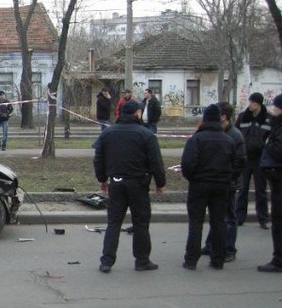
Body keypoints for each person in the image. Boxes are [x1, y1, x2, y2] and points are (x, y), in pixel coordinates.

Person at [93, 100, 166, 273]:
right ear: (137, 113)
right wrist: (160, 183)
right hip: (138, 184)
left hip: (116, 183)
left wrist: (102, 179)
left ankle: (107, 261)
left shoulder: (108, 133)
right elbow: (156, 161)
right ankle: (142, 260)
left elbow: (99, 158)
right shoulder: (145, 134)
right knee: (140, 223)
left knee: (114, 223)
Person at [180, 104, 238, 270]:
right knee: (218, 222)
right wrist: (227, 179)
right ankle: (218, 259)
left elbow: (188, 164)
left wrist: (193, 178)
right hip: (221, 186)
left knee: (196, 222)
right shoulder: (229, 140)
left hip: (199, 184)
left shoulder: (197, 139)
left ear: (204, 119)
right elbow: (235, 164)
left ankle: (191, 260)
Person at [201, 102, 246, 262]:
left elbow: (240, 162)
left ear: (223, 117)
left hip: (228, 182)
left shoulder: (235, 135)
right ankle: (211, 244)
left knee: (228, 217)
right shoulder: (220, 132)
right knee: (217, 216)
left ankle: (229, 249)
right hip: (218, 181)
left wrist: (228, 177)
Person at [235, 92, 271, 229]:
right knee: (242, 188)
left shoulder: (268, 119)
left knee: (260, 190)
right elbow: (237, 134)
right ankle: (239, 217)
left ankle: (263, 218)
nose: (250, 105)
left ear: (259, 104)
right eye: (250, 102)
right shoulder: (243, 117)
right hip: (245, 158)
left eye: (253, 103)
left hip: (260, 159)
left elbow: (272, 138)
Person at [257, 93, 282, 272]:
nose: (273, 110)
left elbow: (277, 150)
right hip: (276, 178)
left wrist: (267, 144)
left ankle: (278, 260)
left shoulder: (279, 128)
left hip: (279, 178)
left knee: (279, 221)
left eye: (276, 107)